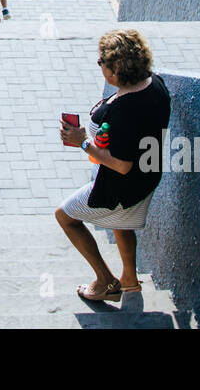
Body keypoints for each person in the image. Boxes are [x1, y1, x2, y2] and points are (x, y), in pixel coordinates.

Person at [56, 29, 171, 302]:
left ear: (117, 67)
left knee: (66, 217)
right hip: (149, 175)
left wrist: (83, 142)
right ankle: (129, 279)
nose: (100, 67)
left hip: (122, 187)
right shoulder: (156, 85)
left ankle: (106, 281)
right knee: (121, 222)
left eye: (101, 63)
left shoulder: (124, 110)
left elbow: (121, 166)